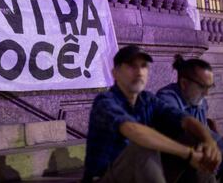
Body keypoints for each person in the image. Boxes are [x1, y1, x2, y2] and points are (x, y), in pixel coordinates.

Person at [83, 45, 221, 183]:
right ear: (115, 73)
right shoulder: (105, 101)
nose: (139, 72)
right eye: (131, 66)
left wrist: (208, 142)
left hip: (142, 172)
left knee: (194, 140)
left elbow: (185, 119)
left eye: (143, 66)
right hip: (105, 177)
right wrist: (188, 154)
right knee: (143, 148)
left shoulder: (147, 99)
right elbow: (134, 131)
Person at [157, 55, 223, 179]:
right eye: (202, 86)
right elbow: (185, 124)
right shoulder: (166, 98)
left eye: (210, 87)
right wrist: (208, 142)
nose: (207, 93)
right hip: (171, 163)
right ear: (184, 83)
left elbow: (207, 130)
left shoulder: (199, 101)